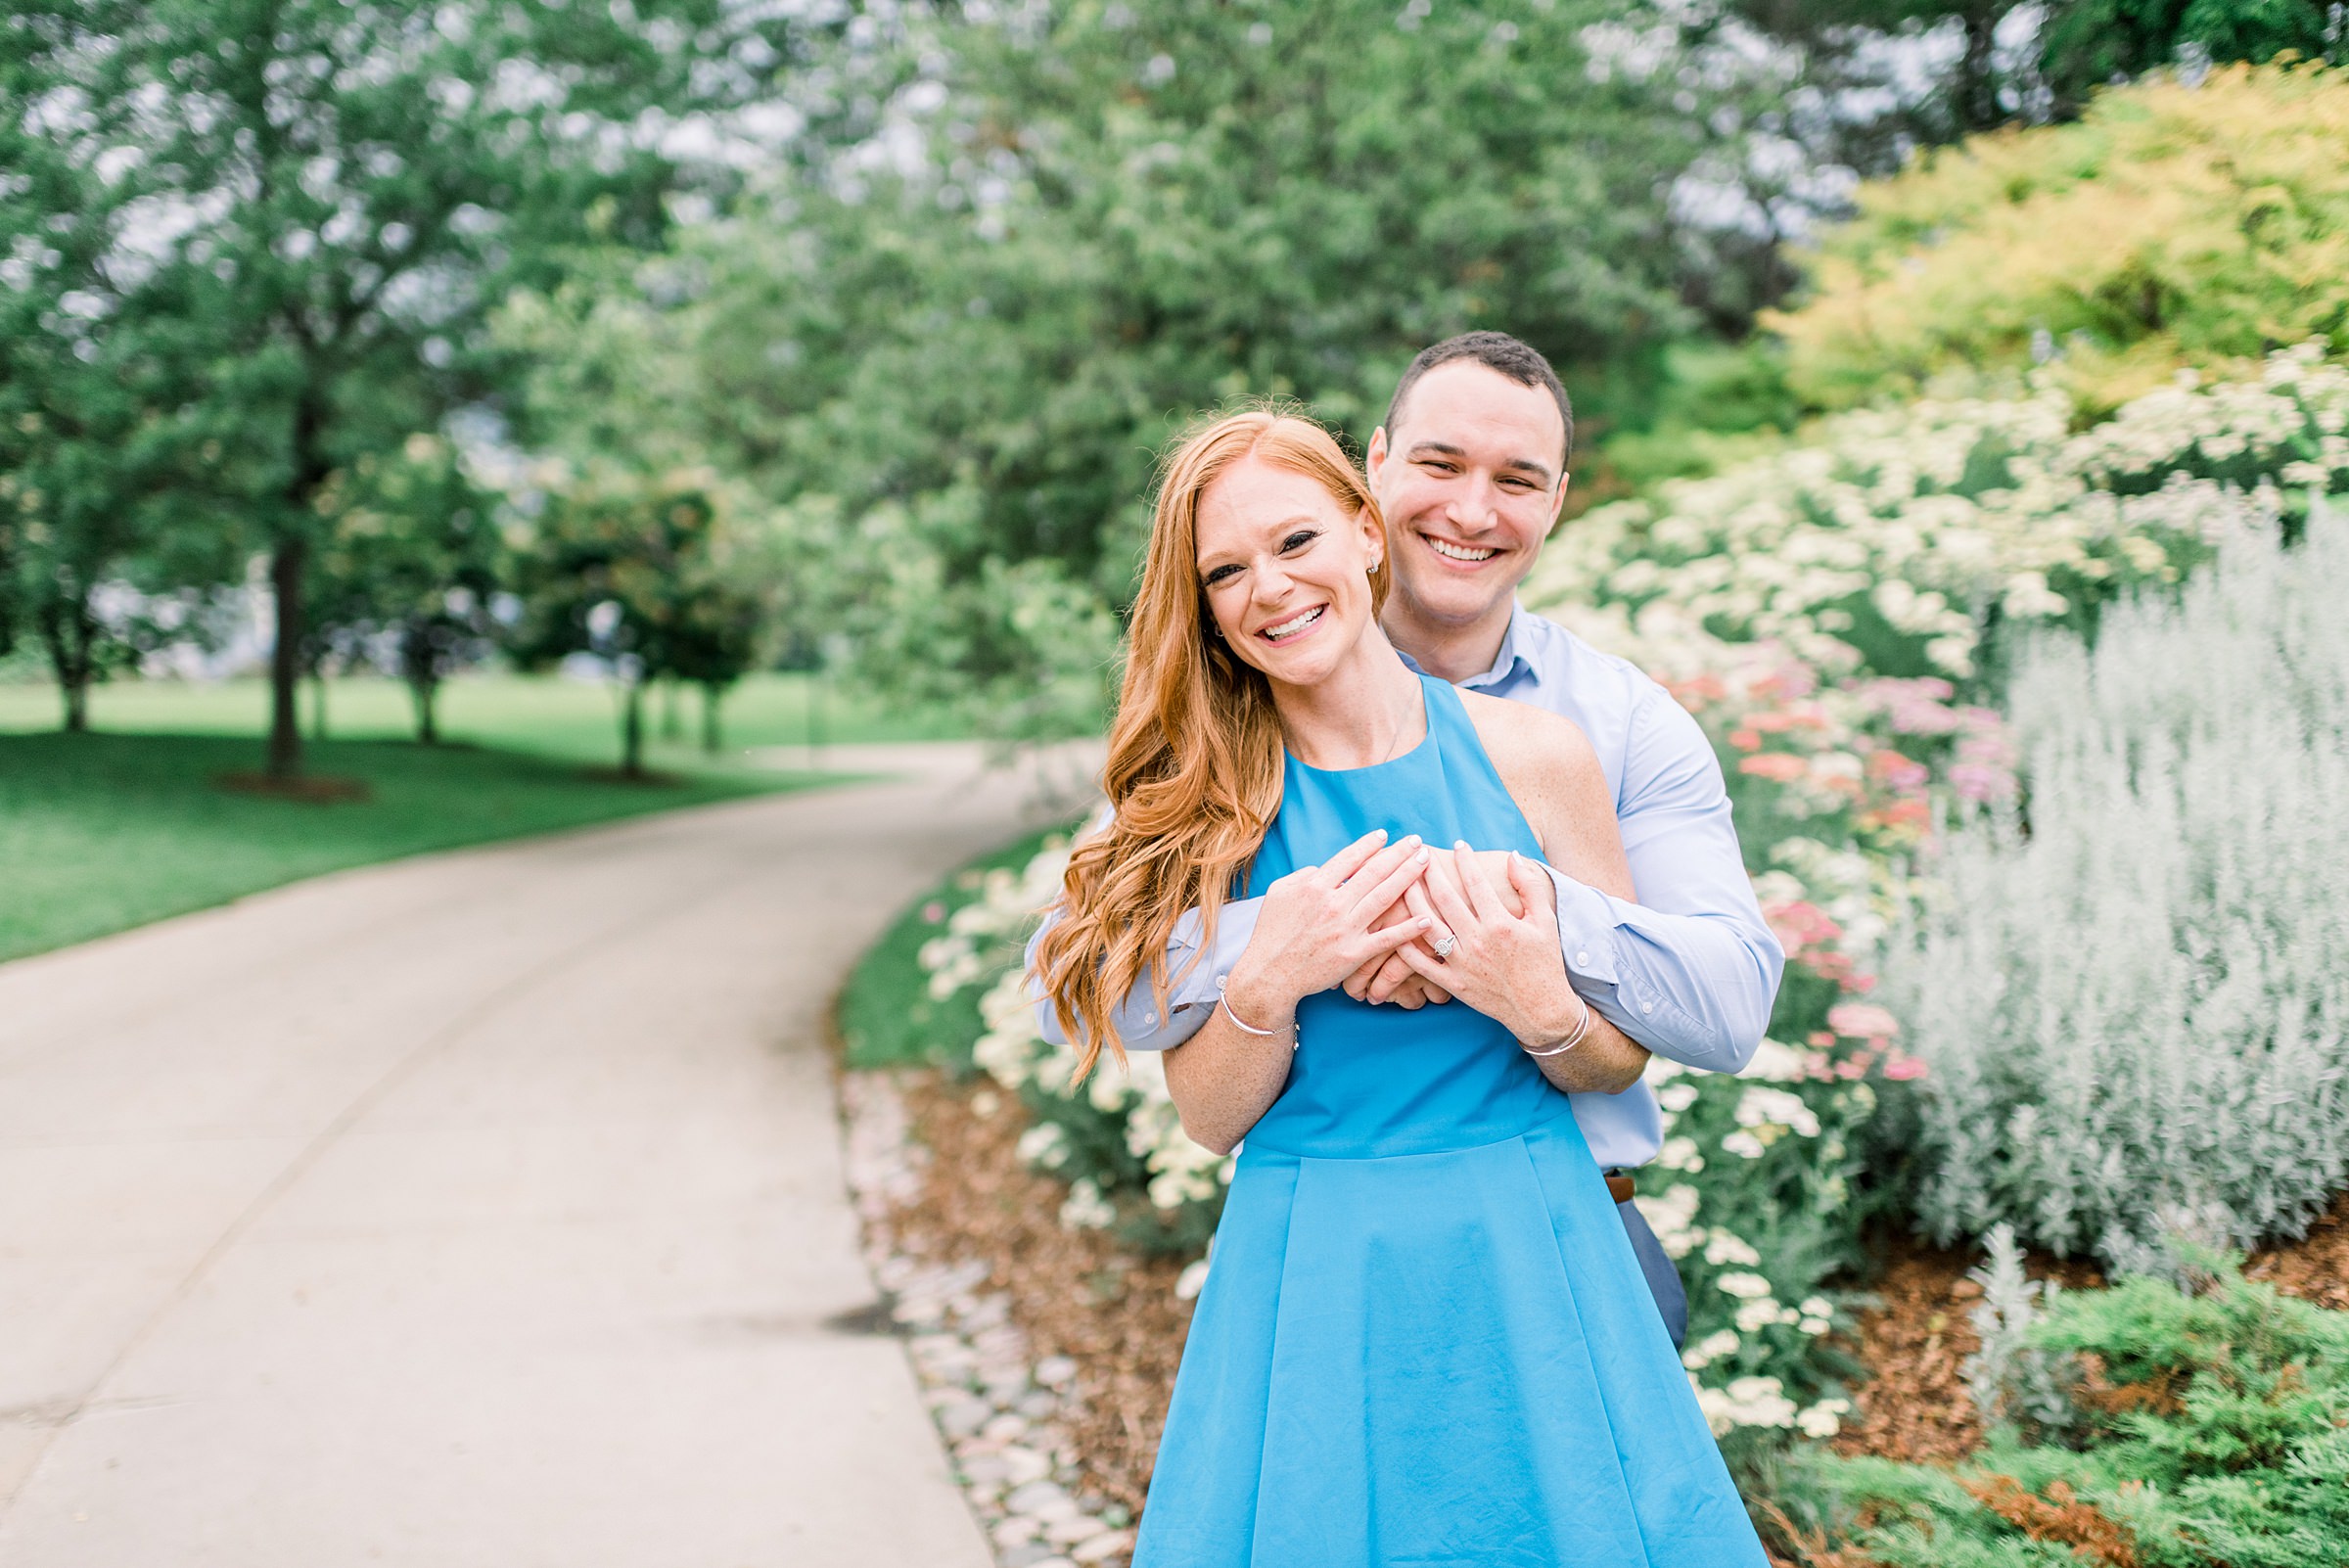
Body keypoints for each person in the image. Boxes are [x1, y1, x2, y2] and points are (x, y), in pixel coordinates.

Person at [1029, 409, 1767, 1565]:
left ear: (1367, 534)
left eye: (1295, 542)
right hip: (1313, 1250)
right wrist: (1274, 968)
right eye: (1225, 571)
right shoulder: (1208, 808)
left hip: (1528, 1238)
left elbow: (1614, 1060)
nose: (1268, 589)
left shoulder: (1538, 756)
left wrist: (1530, 995)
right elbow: (1210, 1116)